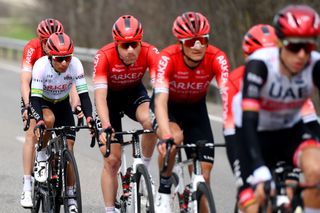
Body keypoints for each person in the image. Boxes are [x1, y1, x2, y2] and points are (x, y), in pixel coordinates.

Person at [232, 5, 320, 213]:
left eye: (307, 48)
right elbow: (249, 120)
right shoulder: (260, 65)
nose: (300, 55)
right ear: (280, 43)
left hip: (290, 132)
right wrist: (259, 168)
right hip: (252, 134)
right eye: (293, 47)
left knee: (317, 172)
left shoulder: (315, 66)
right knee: (253, 205)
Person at [152, 11, 230, 212]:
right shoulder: (167, 58)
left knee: (204, 175)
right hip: (168, 108)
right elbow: (160, 101)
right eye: (190, 42)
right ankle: (164, 186)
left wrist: (236, 128)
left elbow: (229, 96)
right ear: (180, 43)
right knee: (174, 138)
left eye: (202, 40)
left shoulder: (217, 57)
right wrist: (166, 135)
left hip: (196, 110)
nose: (197, 46)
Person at [93, 15, 159, 213]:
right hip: (109, 101)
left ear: (141, 42)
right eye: (125, 45)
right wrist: (106, 126)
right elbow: (100, 97)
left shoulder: (150, 51)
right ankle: (109, 209)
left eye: (134, 44)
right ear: (116, 44)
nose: (131, 50)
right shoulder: (103, 56)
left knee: (152, 120)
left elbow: (160, 91)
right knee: (112, 161)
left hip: (133, 94)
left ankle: (144, 169)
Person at [30, 32, 94, 212]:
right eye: (60, 59)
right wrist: (39, 120)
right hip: (43, 102)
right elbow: (34, 98)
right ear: (50, 57)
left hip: (63, 104)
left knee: (69, 148)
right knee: (48, 120)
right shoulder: (41, 66)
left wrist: (89, 117)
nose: (65, 62)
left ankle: (71, 195)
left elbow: (84, 96)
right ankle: (42, 155)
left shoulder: (75, 65)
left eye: (67, 58)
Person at [19, 18, 77, 208]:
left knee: (67, 141)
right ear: (40, 39)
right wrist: (28, 106)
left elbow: (73, 82)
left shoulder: (61, 50)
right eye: (44, 41)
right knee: (34, 133)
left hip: (57, 93)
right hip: (35, 94)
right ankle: (27, 185)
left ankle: (68, 190)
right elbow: (25, 79)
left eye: (50, 39)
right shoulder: (32, 48)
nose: (47, 44)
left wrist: (75, 104)